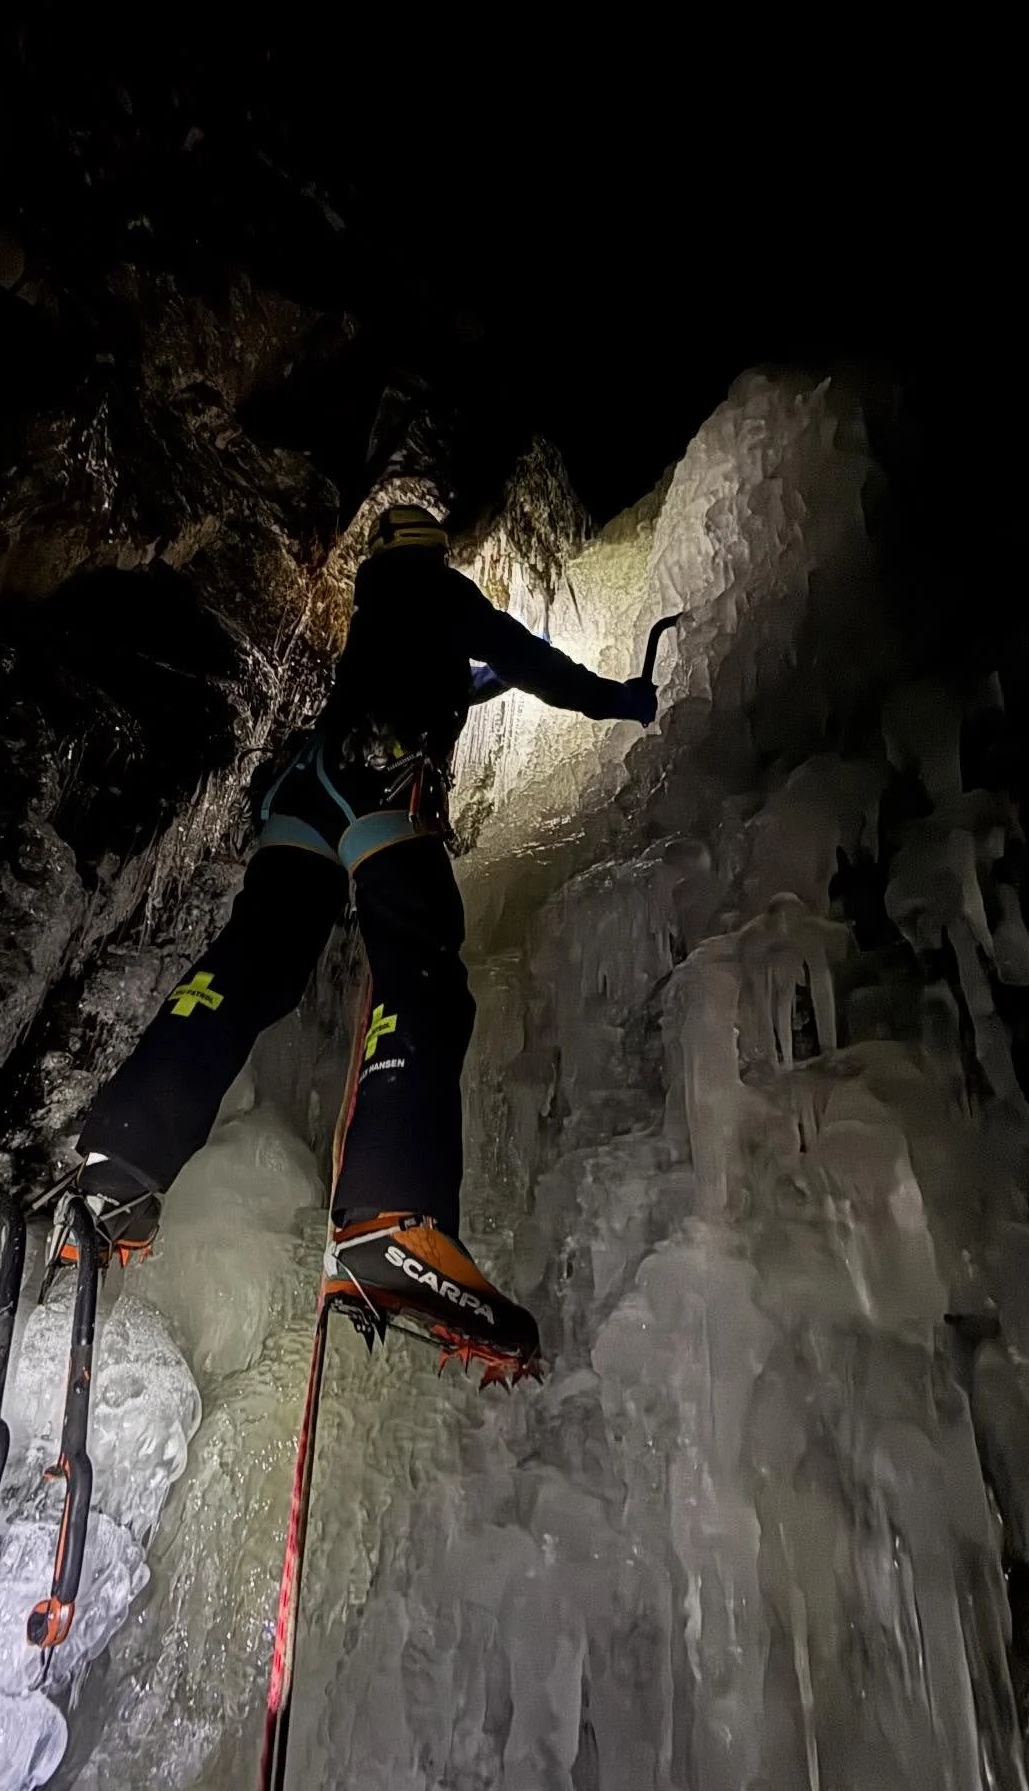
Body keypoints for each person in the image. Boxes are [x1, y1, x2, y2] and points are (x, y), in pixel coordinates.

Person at [54, 499, 660, 1375]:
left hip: (306, 788)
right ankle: (391, 1215)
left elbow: (450, 677)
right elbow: (534, 667)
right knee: (419, 969)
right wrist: (622, 700)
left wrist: (473, 682)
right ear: (435, 550)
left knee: (249, 968)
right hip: (381, 776)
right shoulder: (445, 597)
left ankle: (117, 1167)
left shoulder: (380, 612)